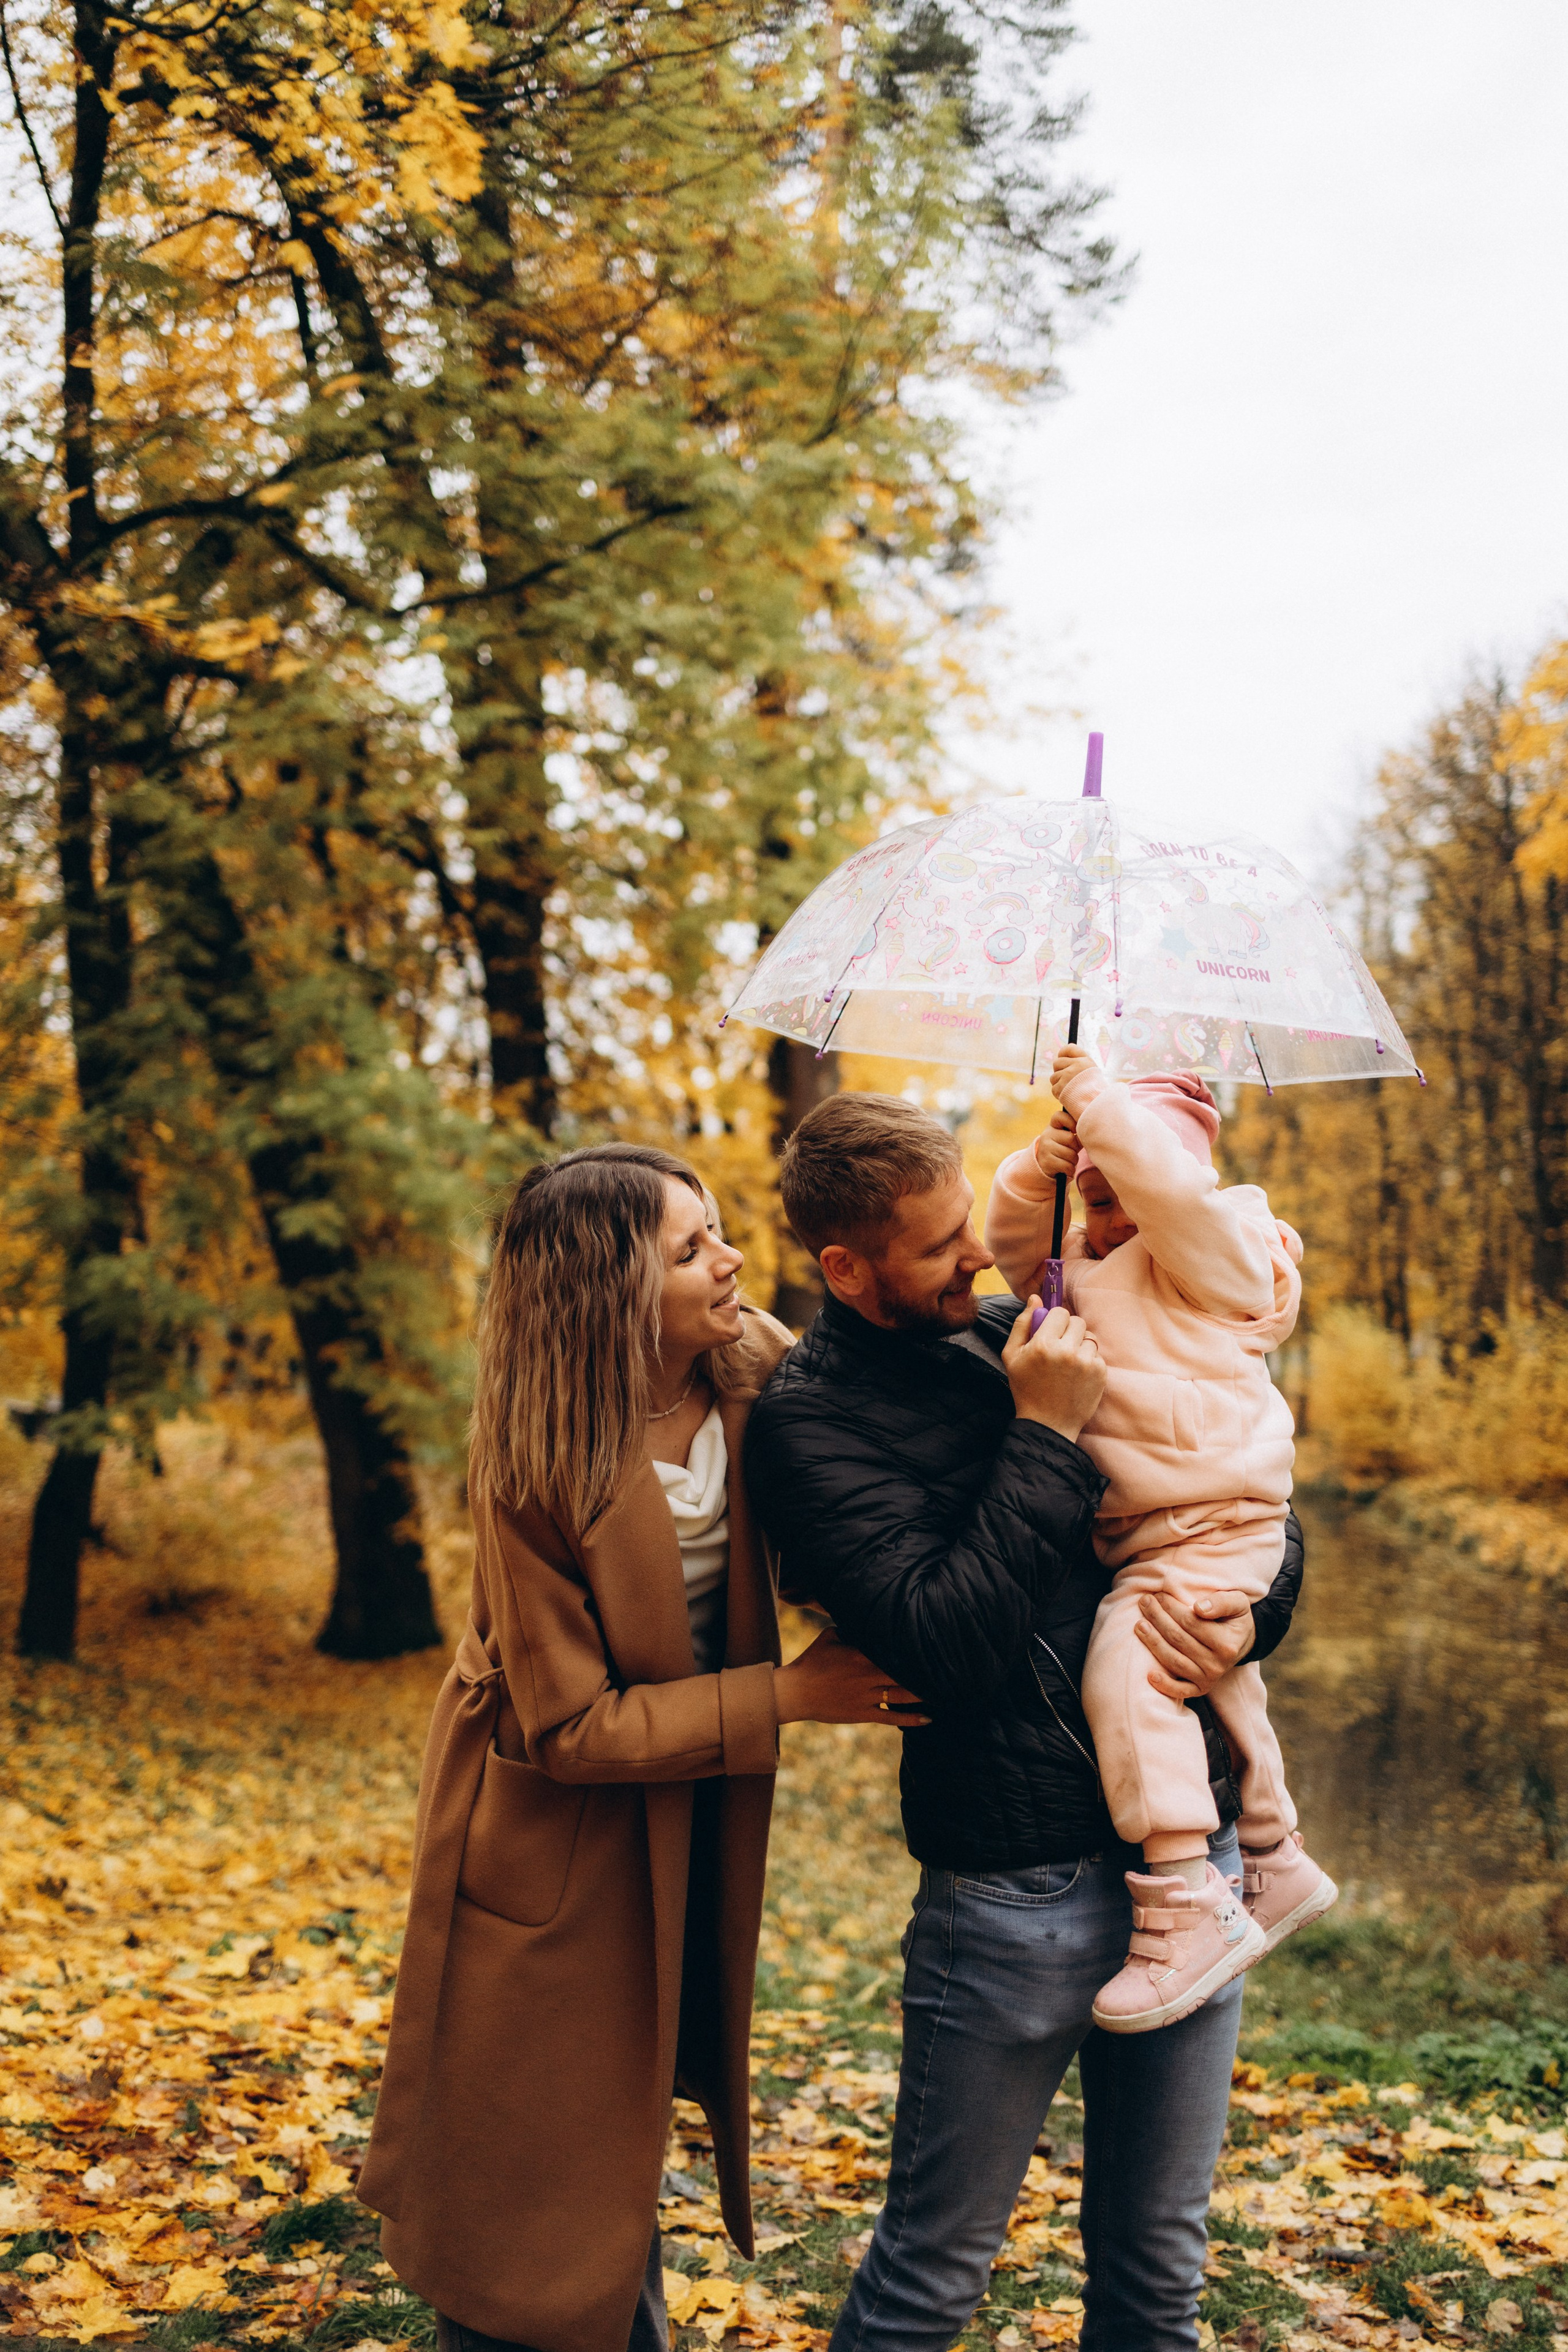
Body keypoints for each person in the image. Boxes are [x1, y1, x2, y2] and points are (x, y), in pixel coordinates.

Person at [744, 1091, 1306, 2352]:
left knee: (1157, 2276)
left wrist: (1253, 1614)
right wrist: (1043, 1431)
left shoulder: (1019, 1328)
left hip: (1188, 1877)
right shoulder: (808, 1423)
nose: (977, 1258)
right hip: (1015, 1889)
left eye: (968, 1223)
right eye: (939, 1244)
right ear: (846, 1267)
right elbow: (946, 1643)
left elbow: (1217, 1493)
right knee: (929, 2281)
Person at [357, 1144, 923, 2352]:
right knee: (524, 2181)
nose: (728, 1262)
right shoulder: (534, 1460)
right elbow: (570, 1727)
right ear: (609, 1293)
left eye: (718, 1234)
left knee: (618, 2138)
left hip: (683, 1816)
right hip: (550, 1834)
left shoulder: (751, 1369)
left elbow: (891, 1423)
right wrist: (788, 1694)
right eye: (690, 1249)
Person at [985, 1048, 1337, 2033]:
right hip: (1157, 1532)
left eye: (1118, 1194)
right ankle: (1273, 1855)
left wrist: (1100, 1105)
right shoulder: (1088, 1268)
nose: (1106, 1223)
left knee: (1128, 1672)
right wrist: (1041, 1166)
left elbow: (1172, 1197)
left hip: (1216, 1517)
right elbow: (1016, 1246)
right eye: (1091, 1203)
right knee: (1218, 1679)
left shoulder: (1222, 1249)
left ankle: (1187, 1896)